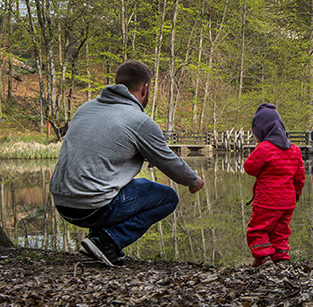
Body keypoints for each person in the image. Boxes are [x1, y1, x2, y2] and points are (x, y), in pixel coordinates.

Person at [49, 60, 204, 267]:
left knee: (112, 185)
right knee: (168, 197)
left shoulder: (86, 109)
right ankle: (108, 241)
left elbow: (99, 150)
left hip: (63, 205)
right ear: (145, 88)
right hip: (93, 208)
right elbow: (169, 161)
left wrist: (139, 154)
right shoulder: (139, 120)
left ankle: (98, 241)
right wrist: (193, 180)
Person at [244, 103, 305, 267]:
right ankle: (281, 258)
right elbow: (299, 178)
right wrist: (297, 194)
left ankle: (263, 258)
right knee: (281, 230)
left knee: (258, 229)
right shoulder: (295, 150)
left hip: (266, 201)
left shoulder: (264, 149)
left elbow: (250, 168)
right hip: (288, 202)